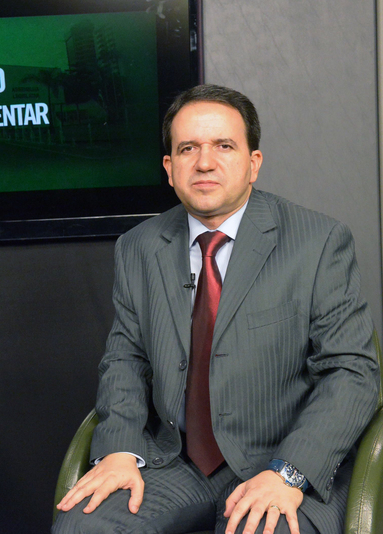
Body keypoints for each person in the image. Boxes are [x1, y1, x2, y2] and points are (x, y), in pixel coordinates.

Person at [53, 85, 380, 534]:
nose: (204, 163)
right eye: (188, 148)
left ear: (253, 163)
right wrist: (119, 451)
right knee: (83, 526)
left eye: (224, 146)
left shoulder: (318, 242)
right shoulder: (138, 248)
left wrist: (289, 472)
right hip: (174, 463)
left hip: (282, 461)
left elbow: (352, 372)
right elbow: (126, 360)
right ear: (169, 168)